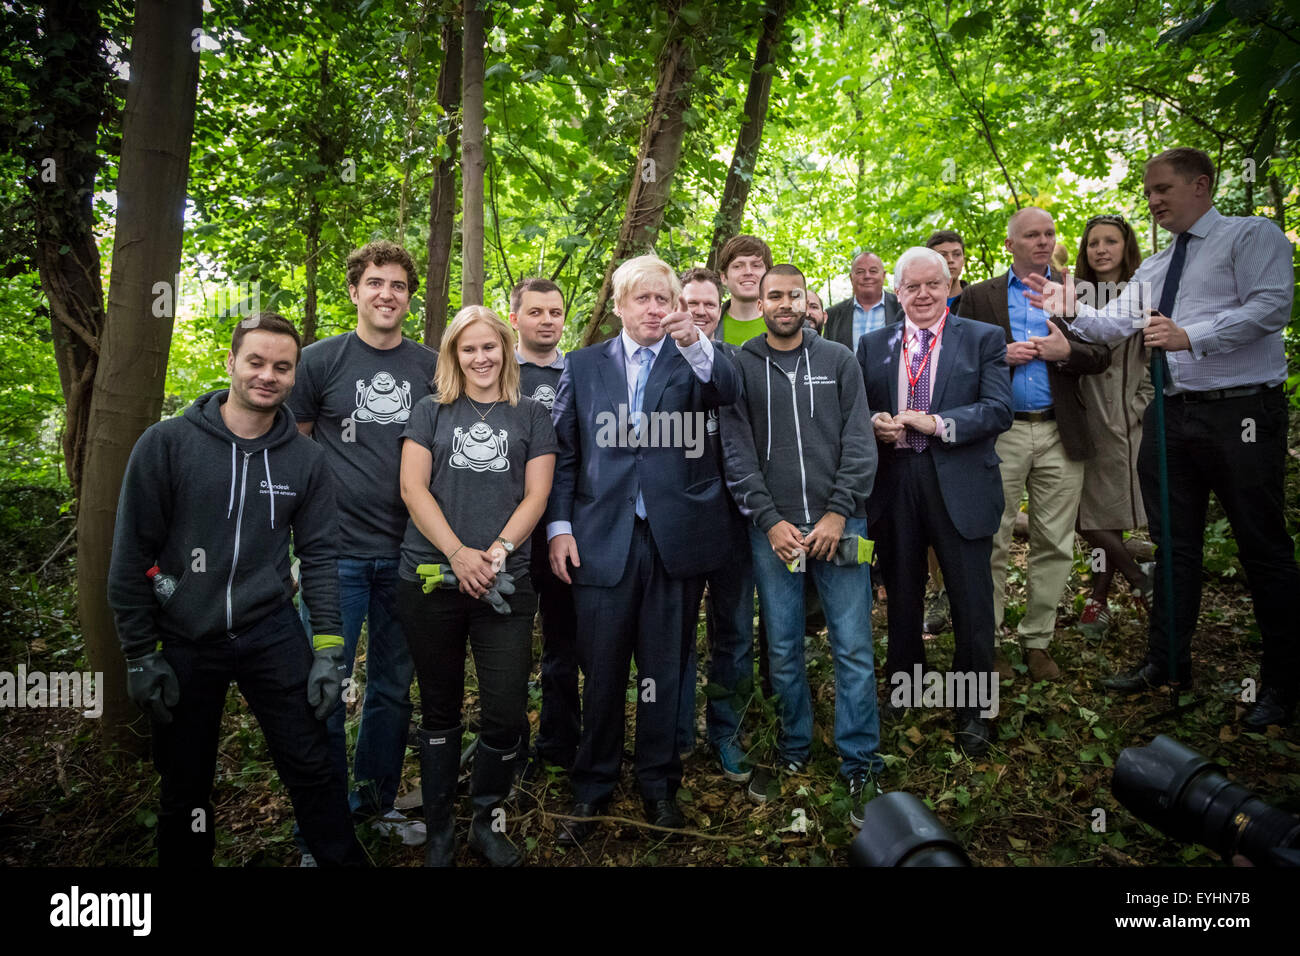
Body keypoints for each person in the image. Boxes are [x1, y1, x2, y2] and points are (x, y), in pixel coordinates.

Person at [1025, 147, 1300, 728]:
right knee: (1175, 544)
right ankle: (1167, 662)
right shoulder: (1155, 267)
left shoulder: (1250, 237)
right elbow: (1114, 322)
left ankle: (1282, 684)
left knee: (1263, 547)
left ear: (1201, 185)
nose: (1152, 202)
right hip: (1173, 417)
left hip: (1242, 415)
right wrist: (1069, 309)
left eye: (1163, 190)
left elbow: (1273, 307)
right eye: (1148, 192)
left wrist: (1191, 335)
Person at [108, 313, 364, 867]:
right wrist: (138, 654)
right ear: (230, 363)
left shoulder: (306, 460)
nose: (267, 375)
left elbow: (320, 557)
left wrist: (328, 650)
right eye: (255, 361)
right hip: (183, 638)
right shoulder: (168, 444)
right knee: (185, 783)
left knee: (314, 766)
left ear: (295, 376)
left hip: (270, 630)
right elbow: (132, 555)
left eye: (281, 366)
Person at [547, 254, 739, 844]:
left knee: (665, 669)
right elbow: (564, 454)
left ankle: (659, 786)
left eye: (664, 299)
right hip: (601, 540)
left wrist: (699, 343)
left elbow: (729, 392)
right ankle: (592, 788)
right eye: (643, 299)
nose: (654, 309)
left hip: (673, 540)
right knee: (600, 669)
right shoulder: (581, 366)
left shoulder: (694, 358)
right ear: (621, 304)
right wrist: (559, 528)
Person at [720, 263, 884, 827]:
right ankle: (795, 749)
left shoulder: (839, 360)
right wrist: (768, 521)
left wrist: (839, 514)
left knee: (853, 648)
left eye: (793, 294)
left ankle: (860, 758)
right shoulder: (738, 367)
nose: (784, 303)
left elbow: (861, 444)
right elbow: (736, 455)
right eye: (773, 295)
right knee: (784, 649)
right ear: (758, 302)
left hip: (843, 531)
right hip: (775, 535)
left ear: (806, 299)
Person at [396, 306, 557, 866]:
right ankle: (440, 828)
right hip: (430, 579)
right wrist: (458, 554)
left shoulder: (532, 414)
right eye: (469, 349)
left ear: (507, 350)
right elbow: (414, 490)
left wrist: (497, 552)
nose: (481, 358)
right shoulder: (429, 411)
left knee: (506, 709)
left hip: (504, 585)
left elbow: (536, 495)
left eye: (491, 347)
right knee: (438, 708)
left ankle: (486, 821)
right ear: (452, 355)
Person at [288, 240, 436, 851]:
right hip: (334, 558)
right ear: (354, 290)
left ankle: (375, 803)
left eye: (398, 285)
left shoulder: (431, 366)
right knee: (323, 686)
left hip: (407, 554)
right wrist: (291, 550)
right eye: (375, 282)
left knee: (392, 688)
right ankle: (320, 828)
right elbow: (290, 458)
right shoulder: (318, 362)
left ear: (409, 296)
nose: (386, 294)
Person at [857, 249, 1012, 757]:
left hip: (959, 479)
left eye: (932, 285)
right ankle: (906, 688)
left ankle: (973, 710)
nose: (922, 295)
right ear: (896, 292)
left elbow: (998, 410)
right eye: (911, 287)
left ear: (949, 286)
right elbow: (857, 410)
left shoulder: (982, 338)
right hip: (896, 479)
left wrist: (942, 423)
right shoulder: (873, 343)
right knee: (902, 594)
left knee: (971, 602)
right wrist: (876, 421)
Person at [961, 208, 1110, 682]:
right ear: (1010, 244)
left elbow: (1103, 353)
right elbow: (957, 360)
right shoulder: (979, 296)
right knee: (992, 539)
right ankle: (991, 640)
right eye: (1032, 235)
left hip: (1059, 431)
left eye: (1049, 233)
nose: (1043, 241)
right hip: (1000, 432)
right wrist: (998, 357)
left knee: (1055, 542)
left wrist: (1068, 353)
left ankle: (1039, 640)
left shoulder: (1077, 292)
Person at [677, 266, 756, 782]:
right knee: (675, 633)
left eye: (710, 304)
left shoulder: (735, 360)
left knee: (733, 633)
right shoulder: (656, 362)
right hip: (677, 523)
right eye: (693, 303)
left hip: (735, 520)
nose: (702, 312)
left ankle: (727, 729)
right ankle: (678, 732)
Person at [1069, 215, 1153, 638]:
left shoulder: (1142, 292)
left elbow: (1160, 358)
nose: (1101, 249)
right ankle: (1142, 580)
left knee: (1105, 515)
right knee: (1083, 516)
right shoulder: (1072, 294)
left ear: (1126, 246)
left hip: (1122, 418)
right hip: (1080, 418)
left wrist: (1142, 404)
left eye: (1111, 241)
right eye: (1093, 243)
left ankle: (1098, 602)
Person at [508, 277, 579, 771]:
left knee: (563, 643)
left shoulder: (580, 373)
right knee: (506, 647)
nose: (547, 321)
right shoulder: (493, 370)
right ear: (515, 318)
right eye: (536, 312)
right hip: (505, 531)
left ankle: (557, 746)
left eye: (555, 312)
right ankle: (506, 746)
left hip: (561, 528)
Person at [824, 251, 903, 350]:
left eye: (873, 271)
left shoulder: (902, 308)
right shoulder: (833, 315)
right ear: (851, 278)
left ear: (883, 276)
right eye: (860, 272)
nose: (867, 276)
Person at [717, 234, 773, 346]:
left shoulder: (791, 326)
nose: (748, 272)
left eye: (756, 265)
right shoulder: (706, 326)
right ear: (723, 277)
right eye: (738, 266)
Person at [926, 229, 969, 314]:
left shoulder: (978, 299)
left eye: (957, 254)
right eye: (943, 255)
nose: (950, 260)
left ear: (963, 259)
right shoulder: (919, 302)